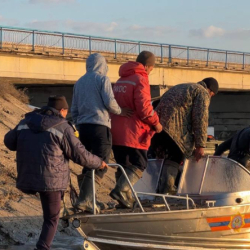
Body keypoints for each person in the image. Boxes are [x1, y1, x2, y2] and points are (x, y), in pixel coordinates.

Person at [3, 96, 107, 250]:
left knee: (49, 215)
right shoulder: (63, 127)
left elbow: (8, 142)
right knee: (51, 219)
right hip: (52, 181)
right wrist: (99, 163)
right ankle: (42, 248)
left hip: (28, 177)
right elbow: (81, 155)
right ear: (63, 110)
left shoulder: (25, 122)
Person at [71, 53, 132, 212]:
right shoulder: (102, 80)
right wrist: (120, 111)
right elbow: (110, 103)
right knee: (101, 164)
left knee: (88, 163)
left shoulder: (79, 83)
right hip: (100, 127)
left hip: (83, 128)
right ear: (102, 65)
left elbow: (74, 109)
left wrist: (79, 123)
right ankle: (85, 200)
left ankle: (87, 200)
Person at [109, 51, 163, 208]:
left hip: (117, 131)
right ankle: (121, 190)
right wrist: (156, 122)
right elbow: (144, 109)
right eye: (152, 68)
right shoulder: (141, 78)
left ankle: (124, 200)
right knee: (139, 164)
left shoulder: (121, 79)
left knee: (123, 165)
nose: (151, 71)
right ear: (147, 66)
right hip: (134, 132)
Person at [151, 77, 219, 194]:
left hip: (158, 128)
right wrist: (200, 145)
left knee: (162, 159)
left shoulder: (182, 87)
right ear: (210, 90)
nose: (210, 98)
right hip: (173, 130)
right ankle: (167, 191)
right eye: (212, 95)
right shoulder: (202, 93)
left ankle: (157, 191)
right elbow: (200, 119)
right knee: (176, 156)